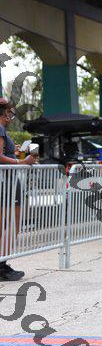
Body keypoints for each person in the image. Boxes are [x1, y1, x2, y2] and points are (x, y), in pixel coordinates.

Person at [0, 98, 37, 281]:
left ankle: (2, 264)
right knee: (11, 224)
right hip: (6, 182)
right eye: (10, 113)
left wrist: (12, 152)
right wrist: (22, 161)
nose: (11, 117)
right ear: (5, 113)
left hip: (6, 181)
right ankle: (2, 266)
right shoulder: (0, 129)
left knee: (6, 224)